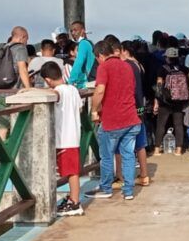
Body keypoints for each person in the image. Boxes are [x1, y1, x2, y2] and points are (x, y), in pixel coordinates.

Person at [86, 40, 141, 201]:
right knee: (129, 155)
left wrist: (94, 110)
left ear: (101, 55)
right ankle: (129, 190)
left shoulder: (104, 67)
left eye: (97, 58)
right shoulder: (127, 66)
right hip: (131, 118)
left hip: (112, 121)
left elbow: (100, 90)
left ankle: (106, 187)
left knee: (107, 156)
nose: (98, 62)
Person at [41, 61, 84, 217]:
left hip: (64, 138)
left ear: (47, 80)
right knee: (71, 170)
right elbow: (79, 108)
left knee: (72, 172)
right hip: (74, 135)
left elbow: (56, 95)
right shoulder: (72, 89)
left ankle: (75, 202)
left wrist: (31, 89)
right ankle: (72, 199)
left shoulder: (58, 91)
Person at [117, 41, 151, 188]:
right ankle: (144, 175)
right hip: (140, 107)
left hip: (131, 108)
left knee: (120, 144)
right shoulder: (139, 65)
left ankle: (120, 177)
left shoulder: (128, 65)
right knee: (140, 144)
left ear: (124, 51)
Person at [154, 47, 189, 155]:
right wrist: (188, 90)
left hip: (165, 101)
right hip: (179, 101)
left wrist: (157, 100)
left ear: (167, 57)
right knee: (178, 125)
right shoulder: (183, 68)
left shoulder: (162, 69)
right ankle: (179, 150)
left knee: (161, 125)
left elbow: (159, 85)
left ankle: (157, 149)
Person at [0, 26, 32, 90]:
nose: (26, 42)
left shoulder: (3, 48)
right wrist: (29, 88)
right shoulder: (20, 48)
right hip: (14, 91)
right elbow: (22, 69)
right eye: (27, 39)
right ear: (22, 37)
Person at [67, 21, 95, 88]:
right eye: (71, 31)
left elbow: (79, 62)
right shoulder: (89, 43)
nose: (73, 33)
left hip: (87, 84)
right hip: (91, 82)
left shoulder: (83, 44)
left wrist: (70, 81)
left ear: (83, 31)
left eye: (75, 30)